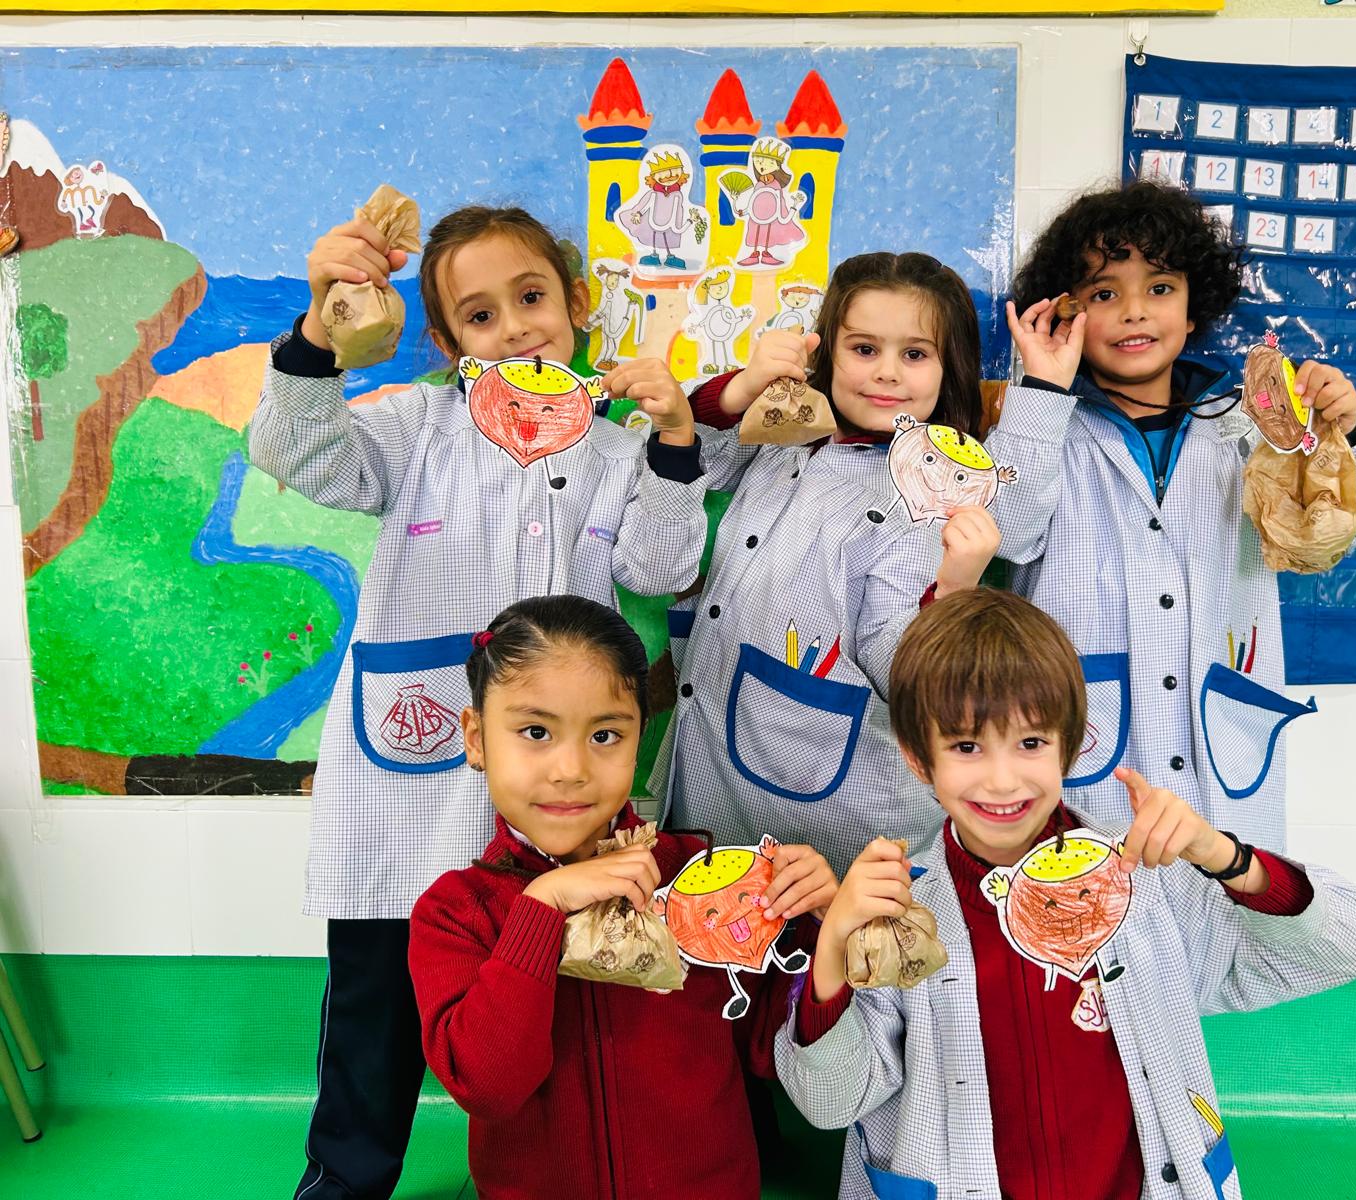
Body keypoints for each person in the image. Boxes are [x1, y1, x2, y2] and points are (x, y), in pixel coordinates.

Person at [250, 204, 707, 1200]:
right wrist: (320, 333)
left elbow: (661, 567)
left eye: (532, 298)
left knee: (551, 992)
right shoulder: (420, 426)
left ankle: (563, 1172)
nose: (515, 328)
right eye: (481, 315)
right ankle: (343, 1181)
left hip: (551, 789)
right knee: (373, 1012)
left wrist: (672, 442)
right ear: (450, 346)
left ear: (577, 306)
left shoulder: (619, 448)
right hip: (403, 778)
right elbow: (300, 455)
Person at [777, 588, 1356, 1199]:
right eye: (965, 747)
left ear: (1071, 744)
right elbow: (832, 1102)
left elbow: (1347, 947)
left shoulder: (1150, 882)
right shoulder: (897, 913)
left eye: (1031, 743)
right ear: (917, 760)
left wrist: (1222, 856)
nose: (1002, 779)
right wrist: (833, 945)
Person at [988, 179, 1356, 851]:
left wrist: (1346, 433)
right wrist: (1041, 390)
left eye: (1159, 288)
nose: (1133, 313)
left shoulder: (1249, 420)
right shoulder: (1039, 424)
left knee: (1224, 907)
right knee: (1091, 917)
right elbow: (1007, 531)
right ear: (1067, 310)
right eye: (1103, 293)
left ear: (1192, 305)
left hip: (1222, 744)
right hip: (1086, 749)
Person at [410, 595, 836, 1199]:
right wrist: (542, 909)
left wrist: (824, 935)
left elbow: (774, 1051)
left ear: (640, 737)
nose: (571, 768)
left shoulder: (699, 880)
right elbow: (488, 1085)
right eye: (535, 731)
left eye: (605, 734)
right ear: (476, 739)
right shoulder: (456, 911)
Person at [660, 251, 1003, 876]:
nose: (887, 374)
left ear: (950, 368)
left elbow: (908, 669)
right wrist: (741, 388)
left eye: (916, 354)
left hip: (835, 816)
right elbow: (694, 455)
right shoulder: (791, 433)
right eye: (864, 349)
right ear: (828, 354)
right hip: (714, 769)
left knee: (827, 961)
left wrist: (953, 590)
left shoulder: (929, 495)